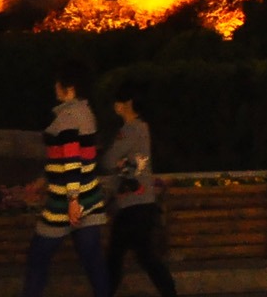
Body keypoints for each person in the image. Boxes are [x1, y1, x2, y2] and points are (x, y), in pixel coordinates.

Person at [22, 60, 109, 297]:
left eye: (58, 82)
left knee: (37, 259)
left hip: (64, 204)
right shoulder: (87, 113)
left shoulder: (68, 118)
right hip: (90, 199)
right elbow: (78, 159)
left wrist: (72, 199)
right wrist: (44, 180)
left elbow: (72, 162)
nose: (55, 87)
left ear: (68, 87)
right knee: (94, 264)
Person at [102, 86, 178, 297]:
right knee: (143, 256)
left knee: (118, 257)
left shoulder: (128, 131)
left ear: (127, 104)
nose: (115, 105)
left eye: (118, 101)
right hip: (143, 203)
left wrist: (118, 162)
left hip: (131, 205)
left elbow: (108, 160)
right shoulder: (143, 129)